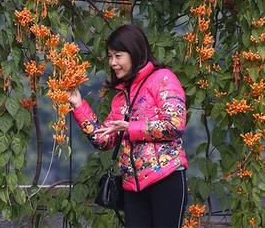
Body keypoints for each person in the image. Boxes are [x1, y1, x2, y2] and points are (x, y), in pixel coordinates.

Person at [69, 24, 188, 228]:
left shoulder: (163, 79)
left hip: (166, 180)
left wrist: (130, 127)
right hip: (132, 187)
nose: (112, 63)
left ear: (134, 52)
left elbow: (175, 125)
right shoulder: (121, 96)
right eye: (109, 56)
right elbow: (103, 140)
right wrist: (78, 105)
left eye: (118, 55)